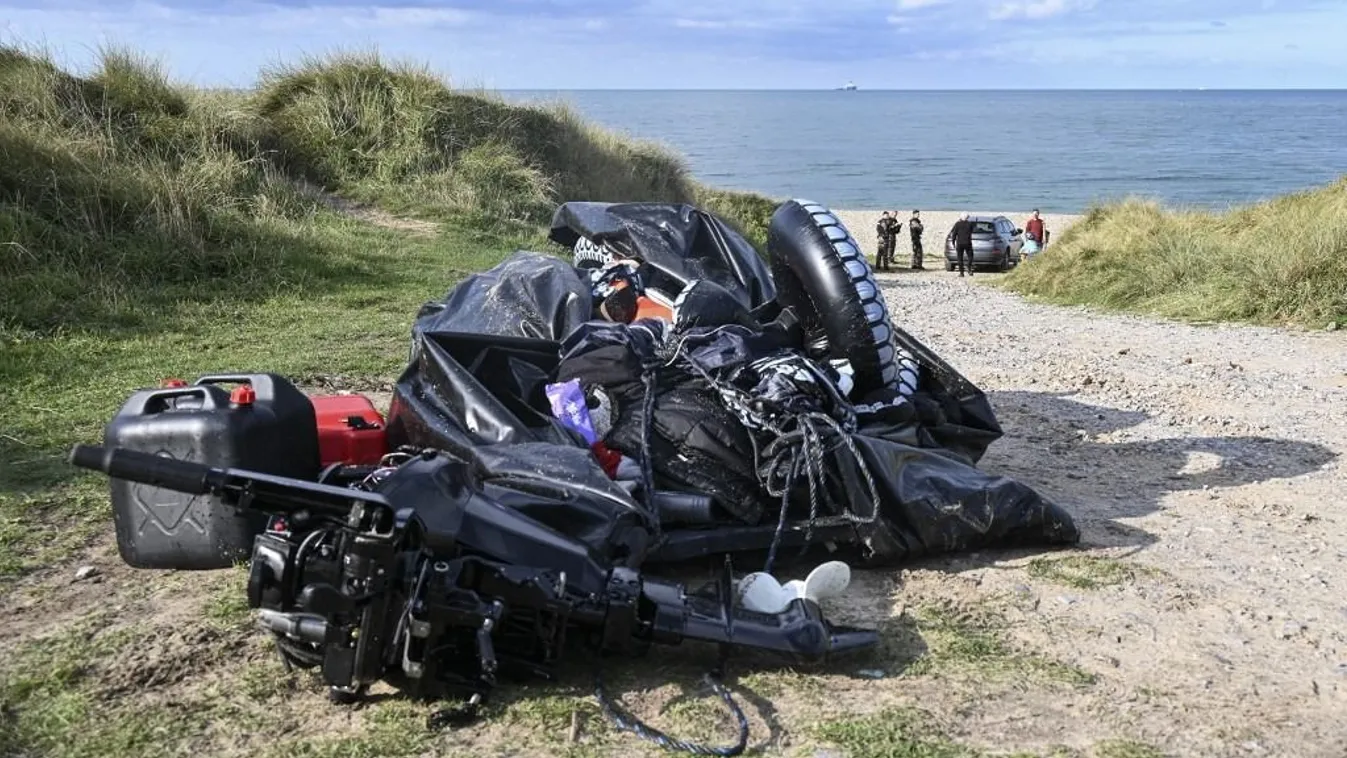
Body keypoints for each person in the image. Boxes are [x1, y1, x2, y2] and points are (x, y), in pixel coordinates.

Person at [950, 212, 974, 277]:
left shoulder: (957, 224)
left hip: (960, 243)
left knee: (960, 258)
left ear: (961, 217)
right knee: (970, 256)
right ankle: (968, 267)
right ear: (967, 217)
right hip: (967, 243)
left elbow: (954, 233)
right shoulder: (970, 224)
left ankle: (961, 273)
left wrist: (953, 242)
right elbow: (971, 231)